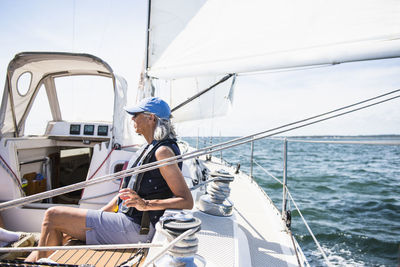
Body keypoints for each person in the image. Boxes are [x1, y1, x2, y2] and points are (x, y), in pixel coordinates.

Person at [26, 97, 193, 262]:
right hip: (128, 220)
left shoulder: (162, 152)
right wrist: (102, 212)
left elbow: (186, 201)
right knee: (64, 229)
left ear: (151, 118)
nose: (132, 118)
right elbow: (125, 194)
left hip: (137, 228)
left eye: (136, 114)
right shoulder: (150, 147)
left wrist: (146, 204)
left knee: (53, 216)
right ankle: (29, 263)